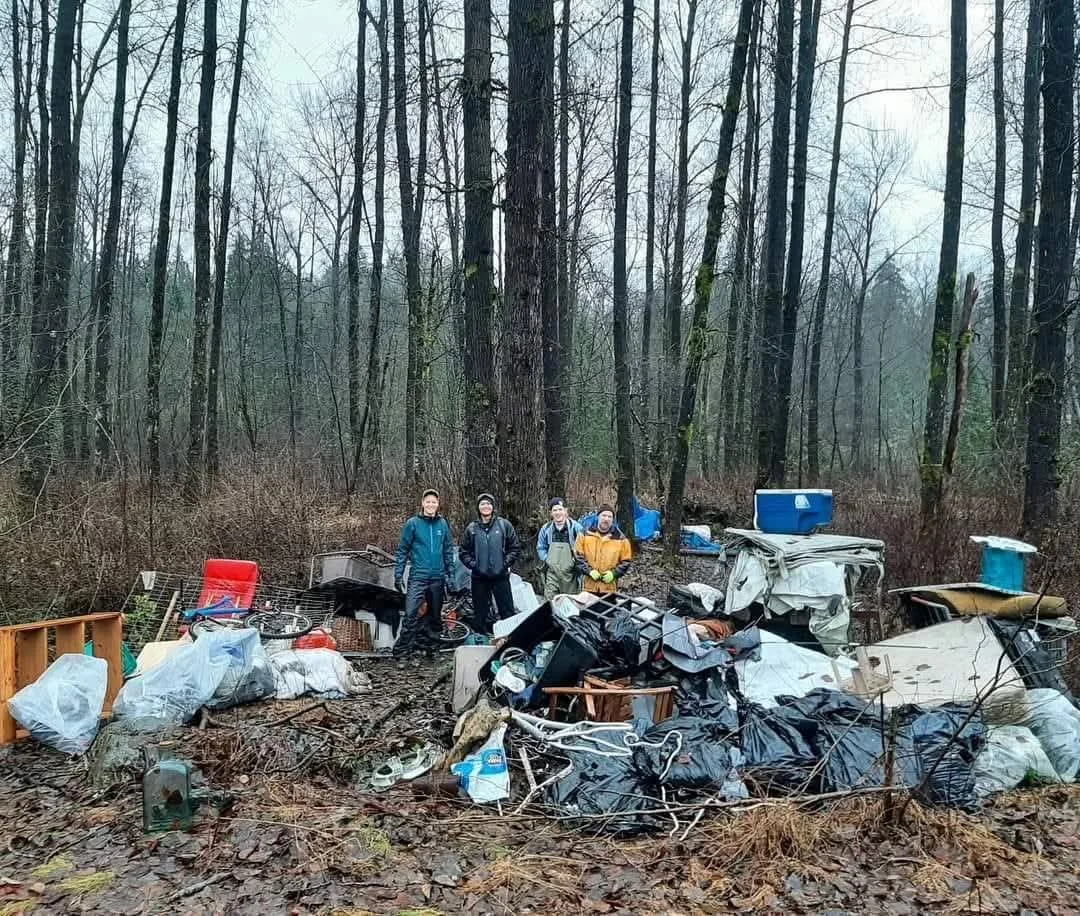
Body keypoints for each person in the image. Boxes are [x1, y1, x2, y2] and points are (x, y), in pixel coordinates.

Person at [393, 488, 455, 658]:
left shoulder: (442, 524)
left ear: (438, 504)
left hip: (437, 578)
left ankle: (431, 648)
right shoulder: (412, 523)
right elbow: (402, 550)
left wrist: (451, 575)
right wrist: (398, 575)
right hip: (418, 577)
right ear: (422, 503)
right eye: (428, 501)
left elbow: (448, 550)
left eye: (434, 502)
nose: (430, 504)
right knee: (411, 614)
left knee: (434, 616)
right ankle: (402, 651)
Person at [459, 493, 522, 633]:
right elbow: (463, 552)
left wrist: (504, 564)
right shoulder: (472, 528)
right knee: (480, 614)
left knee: (507, 612)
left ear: (493, 507)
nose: (486, 506)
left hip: (500, 577)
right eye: (482, 504)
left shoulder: (504, 525)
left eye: (488, 504)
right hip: (479, 578)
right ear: (478, 507)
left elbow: (515, 547)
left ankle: (510, 638)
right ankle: (482, 638)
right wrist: (475, 565)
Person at [575, 504, 632, 595]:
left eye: (609, 517)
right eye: (604, 515)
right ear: (598, 517)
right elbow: (578, 557)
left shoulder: (621, 539)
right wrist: (589, 571)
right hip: (588, 586)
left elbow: (626, 561)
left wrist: (614, 574)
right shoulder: (584, 534)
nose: (606, 519)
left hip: (609, 589)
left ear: (613, 520)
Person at [537, 498, 584, 599]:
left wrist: (574, 561)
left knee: (570, 602)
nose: (557, 513)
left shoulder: (576, 528)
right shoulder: (546, 529)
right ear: (551, 513)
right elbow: (541, 547)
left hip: (570, 575)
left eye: (560, 509)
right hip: (552, 574)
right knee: (550, 601)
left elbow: (583, 549)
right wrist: (547, 559)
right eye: (554, 510)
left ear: (565, 510)